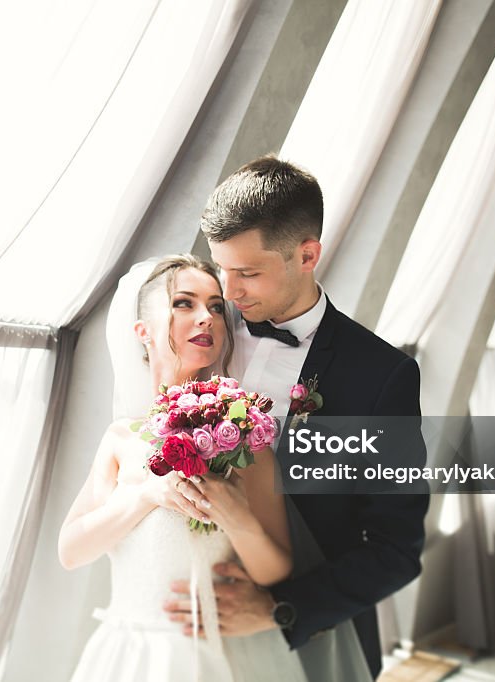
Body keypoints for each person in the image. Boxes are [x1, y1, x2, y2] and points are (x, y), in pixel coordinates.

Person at [167, 156, 429, 681]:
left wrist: (279, 611)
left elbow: (396, 548)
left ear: (307, 254)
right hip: (184, 635)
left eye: (248, 272)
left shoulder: (381, 376)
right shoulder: (195, 328)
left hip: (308, 644)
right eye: (222, 266)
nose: (230, 290)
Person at [58, 254, 308, 682]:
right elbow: (71, 551)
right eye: (184, 304)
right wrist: (144, 495)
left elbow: (276, 570)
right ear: (142, 332)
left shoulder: (244, 435)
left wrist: (234, 514)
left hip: (210, 658)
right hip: (128, 656)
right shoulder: (121, 439)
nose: (206, 318)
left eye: (215, 306)